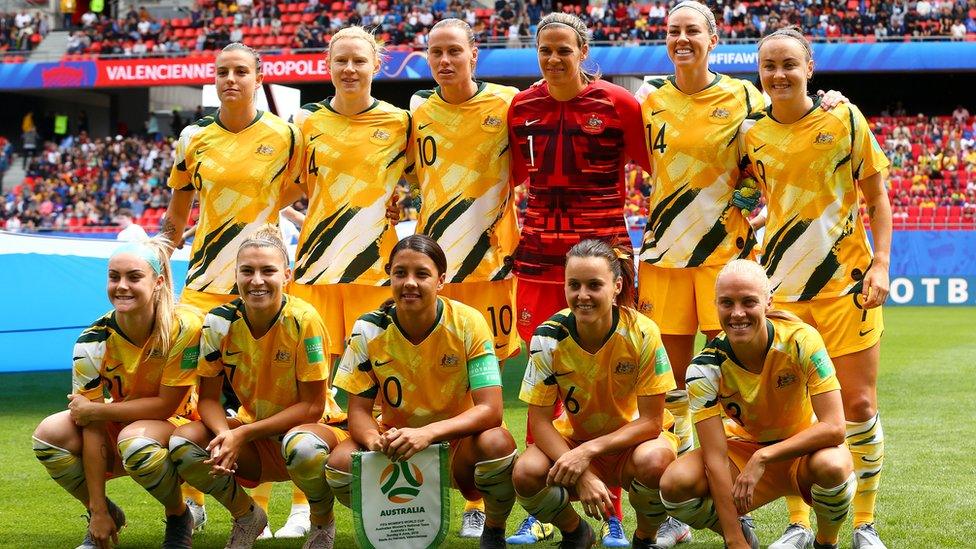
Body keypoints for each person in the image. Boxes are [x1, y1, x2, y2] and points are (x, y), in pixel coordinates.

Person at [741, 27, 892, 549]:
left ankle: (865, 523)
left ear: (809, 68)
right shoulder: (750, 134)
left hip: (846, 289)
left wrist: (883, 264)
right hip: (782, 295)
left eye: (789, 64)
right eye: (769, 66)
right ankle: (800, 523)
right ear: (759, 74)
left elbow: (877, 195)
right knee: (790, 411)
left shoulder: (844, 118)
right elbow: (757, 197)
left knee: (860, 406)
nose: (779, 74)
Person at [506, 12, 652, 546]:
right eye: (545, 50)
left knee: (607, 383)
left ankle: (612, 510)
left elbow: (665, 166)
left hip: (603, 259)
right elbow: (513, 178)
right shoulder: (520, 108)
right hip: (540, 261)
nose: (553, 58)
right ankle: (545, 506)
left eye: (564, 49)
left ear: (583, 50)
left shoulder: (620, 105)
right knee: (541, 384)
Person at [160, 41, 310, 534]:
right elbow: (177, 215)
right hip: (203, 284)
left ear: (258, 77)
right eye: (222, 71)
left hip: (262, 285)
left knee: (261, 393)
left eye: (240, 71)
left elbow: (302, 190)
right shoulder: (192, 137)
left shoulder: (287, 137)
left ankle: (265, 507)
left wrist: (276, 214)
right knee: (189, 393)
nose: (230, 79)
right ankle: (194, 500)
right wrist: (159, 255)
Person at [325, 235, 518, 549]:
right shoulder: (369, 329)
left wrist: (427, 433)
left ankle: (493, 529)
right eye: (400, 273)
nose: (409, 283)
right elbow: (358, 411)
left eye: (422, 274)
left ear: (441, 281)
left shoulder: (471, 323)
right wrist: (376, 442)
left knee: (497, 442)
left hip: (458, 447)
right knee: (341, 466)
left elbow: (491, 409)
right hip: (396, 447)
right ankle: (396, 523)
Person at [408, 18, 521, 539]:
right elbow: (401, 176)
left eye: (455, 51)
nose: (445, 60)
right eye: (436, 53)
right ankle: (432, 491)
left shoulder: (507, 103)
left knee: (486, 392)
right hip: (435, 274)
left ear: (475, 54)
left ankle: (483, 501)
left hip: (492, 270)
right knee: (443, 376)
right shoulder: (418, 112)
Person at [168, 228, 347, 549]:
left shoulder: (305, 320)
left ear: (287, 275)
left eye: (268, 271)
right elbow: (208, 399)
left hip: (317, 432)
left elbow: (312, 407)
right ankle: (247, 515)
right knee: (183, 444)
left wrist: (242, 435)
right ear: (235, 275)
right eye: (247, 271)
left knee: (303, 447)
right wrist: (225, 434)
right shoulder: (218, 323)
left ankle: (321, 520)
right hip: (254, 437)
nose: (257, 280)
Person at [659, 259, 856, 549]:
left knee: (834, 465)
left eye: (748, 302)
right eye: (727, 303)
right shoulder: (703, 369)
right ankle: (740, 531)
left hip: (803, 452)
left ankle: (826, 542)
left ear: (767, 302)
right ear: (715, 305)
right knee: (674, 485)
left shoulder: (802, 340)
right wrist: (734, 540)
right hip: (742, 452)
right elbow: (715, 458)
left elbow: (835, 428)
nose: (737, 313)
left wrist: (764, 458)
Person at [32, 238, 202, 549]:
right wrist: (95, 509)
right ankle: (106, 514)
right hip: (125, 419)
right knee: (48, 435)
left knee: (135, 441)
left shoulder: (185, 326)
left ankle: (180, 516)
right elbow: (90, 424)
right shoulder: (92, 341)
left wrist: (98, 411)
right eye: (114, 277)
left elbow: (166, 405)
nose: (121, 286)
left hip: (184, 424)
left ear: (158, 282)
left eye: (134, 277)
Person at [514, 239, 680, 549]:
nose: (582, 295)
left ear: (617, 286)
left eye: (594, 285)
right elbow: (539, 422)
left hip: (632, 445)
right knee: (525, 473)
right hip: (573, 441)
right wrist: (583, 472)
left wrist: (587, 453)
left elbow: (651, 423)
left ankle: (645, 538)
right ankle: (577, 532)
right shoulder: (547, 336)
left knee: (656, 461)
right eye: (573, 285)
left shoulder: (643, 332)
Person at [289, 26, 411, 364]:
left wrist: (401, 202)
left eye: (359, 60)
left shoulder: (400, 122)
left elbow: (421, 180)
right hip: (317, 260)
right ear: (327, 64)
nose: (349, 69)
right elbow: (292, 184)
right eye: (341, 60)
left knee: (377, 367)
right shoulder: (305, 120)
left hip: (376, 265)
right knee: (314, 371)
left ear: (376, 65)